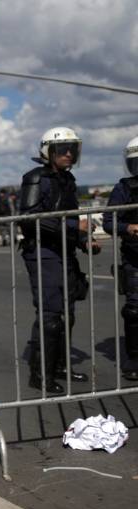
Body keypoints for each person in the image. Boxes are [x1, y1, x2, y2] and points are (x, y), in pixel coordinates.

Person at [19, 126, 99, 394]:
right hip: (42, 251)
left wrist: (84, 241)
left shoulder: (68, 180)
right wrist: (75, 229)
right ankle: (40, 374)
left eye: (72, 149)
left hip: (64, 250)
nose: (69, 154)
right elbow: (29, 219)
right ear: (48, 151)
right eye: (63, 149)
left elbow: (70, 216)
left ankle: (60, 366)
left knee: (68, 315)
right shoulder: (34, 178)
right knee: (51, 315)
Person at [102, 136, 138, 381]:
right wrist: (129, 228)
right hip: (135, 257)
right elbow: (108, 221)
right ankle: (133, 358)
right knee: (134, 310)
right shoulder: (125, 188)